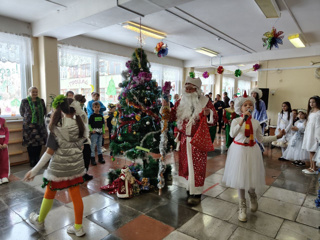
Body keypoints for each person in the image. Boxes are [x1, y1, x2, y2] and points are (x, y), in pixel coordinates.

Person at [23, 96, 88, 237]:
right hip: (76, 167)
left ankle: (39, 220)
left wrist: (34, 171)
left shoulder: (56, 128)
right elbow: (82, 147)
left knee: (49, 193)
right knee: (76, 195)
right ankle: (78, 228)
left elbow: (49, 153)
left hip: (58, 168)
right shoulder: (80, 124)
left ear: (61, 109)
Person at [222, 91, 285, 222]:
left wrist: (276, 137)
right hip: (238, 151)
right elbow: (233, 135)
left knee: (250, 176)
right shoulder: (235, 120)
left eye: (251, 105)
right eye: (246, 105)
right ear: (241, 108)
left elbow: (260, 139)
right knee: (240, 178)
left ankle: (252, 195)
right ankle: (242, 205)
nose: (248, 107)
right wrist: (241, 121)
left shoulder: (256, 122)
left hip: (252, 151)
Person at [163, 76, 218, 205]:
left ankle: (197, 193)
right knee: (186, 165)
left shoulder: (205, 101)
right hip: (183, 139)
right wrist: (165, 109)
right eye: (186, 88)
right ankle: (190, 188)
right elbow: (171, 117)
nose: (187, 90)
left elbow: (214, 119)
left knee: (197, 167)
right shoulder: (181, 102)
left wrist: (209, 112)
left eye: (190, 88)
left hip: (197, 140)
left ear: (197, 89)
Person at [20, 87, 47, 167]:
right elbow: (22, 112)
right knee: (30, 143)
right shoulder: (24, 101)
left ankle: (37, 159)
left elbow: (44, 111)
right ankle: (32, 159)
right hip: (28, 126)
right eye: (33, 92)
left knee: (39, 143)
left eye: (36, 92)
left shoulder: (41, 101)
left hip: (39, 125)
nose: (35, 93)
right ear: (29, 92)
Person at [74, 94, 93, 181]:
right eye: (82, 103)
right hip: (80, 140)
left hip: (84, 138)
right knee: (83, 158)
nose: (83, 104)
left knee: (85, 157)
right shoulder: (77, 113)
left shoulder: (81, 112)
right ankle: (81, 175)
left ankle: (83, 173)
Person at [301, 96, 320, 175]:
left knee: (312, 151)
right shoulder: (311, 112)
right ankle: (311, 167)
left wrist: (318, 137)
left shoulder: (318, 113)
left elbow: (318, 126)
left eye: (313, 102)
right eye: (310, 102)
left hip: (314, 134)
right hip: (309, 133)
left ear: (317, 103)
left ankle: (314, 168)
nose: (311, 104)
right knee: (310, 150)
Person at [89, 101, 106, 165]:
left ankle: (100, 158)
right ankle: (92, 159)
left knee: (99, 145)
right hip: (94, 133)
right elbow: (89, 124)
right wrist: (91, 130)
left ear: (99, 108)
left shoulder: (101, 116)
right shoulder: (92, 116)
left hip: (100, 133)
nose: (96, 108)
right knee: (93, 146)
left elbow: (103, 125)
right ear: (93, 108)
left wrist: (103, 132)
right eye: (95, 107)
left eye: (98, 107)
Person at [0, 108, 9, 184]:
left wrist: (5, 142)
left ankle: (4, 176)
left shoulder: (3, 120)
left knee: (4, 160)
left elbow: (7, 132)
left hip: (3, 144)